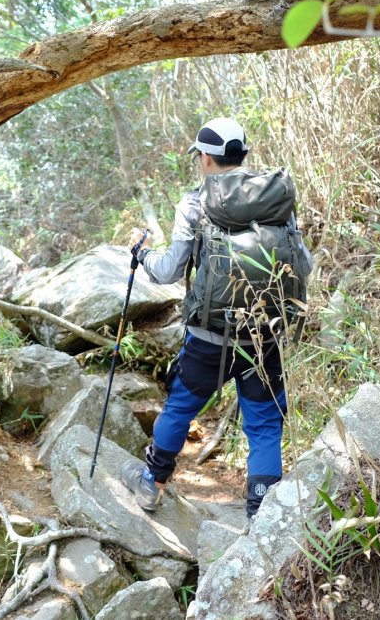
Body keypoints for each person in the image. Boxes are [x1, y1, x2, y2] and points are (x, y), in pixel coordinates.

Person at [121, 116, 306, 519]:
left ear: (206, 158)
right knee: (264, 423)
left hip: (209, 334)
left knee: (180, 408)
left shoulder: (193, 202)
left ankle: (151, 485)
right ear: (242, 155)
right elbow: (302, 263)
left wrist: (141, 254)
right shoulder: (276, 199)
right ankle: (261, 515)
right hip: (264, 332)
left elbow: (170, 269)